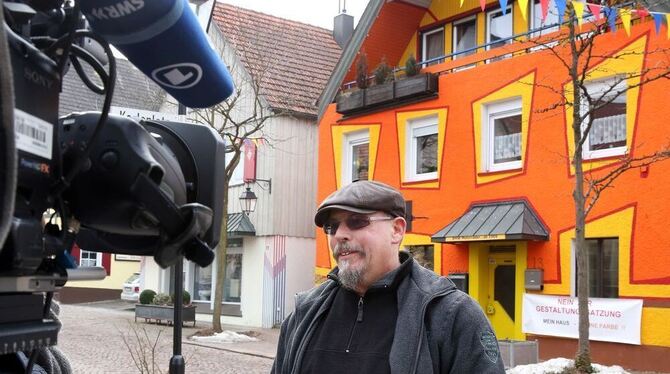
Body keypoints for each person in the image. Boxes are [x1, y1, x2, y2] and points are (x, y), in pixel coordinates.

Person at [272, 180, 505, 373]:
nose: (340, 234)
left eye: (356, 221)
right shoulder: (305, 312)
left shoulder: (450, 314)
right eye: (332, 227)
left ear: (396, 230)